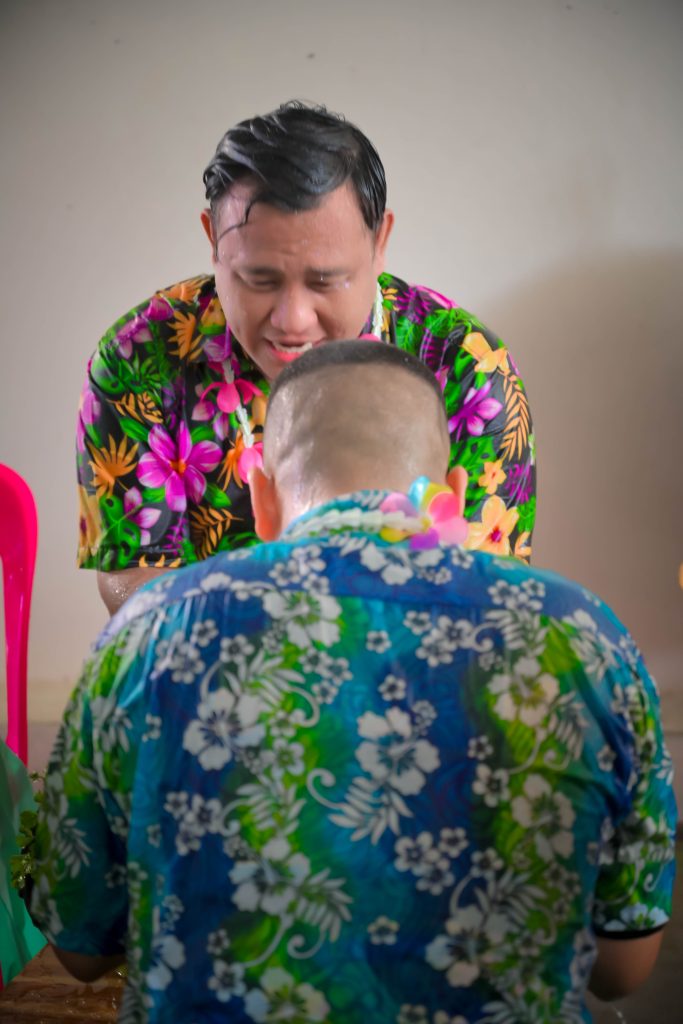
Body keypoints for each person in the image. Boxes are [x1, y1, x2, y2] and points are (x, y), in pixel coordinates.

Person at [33, 342, 675, 1023]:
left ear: (261, 498)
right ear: (454, 496)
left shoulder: (150, 627)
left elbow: (80, 947)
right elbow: (623, 967)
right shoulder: (580, 635)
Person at [76, 100, 536, 615]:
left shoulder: (468, 367)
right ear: (213, 241)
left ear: (380, 241)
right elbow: (133, 580)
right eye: (259, 280)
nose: (293, 321)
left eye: (326, 281)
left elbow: (489, 598)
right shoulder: (139, 358)